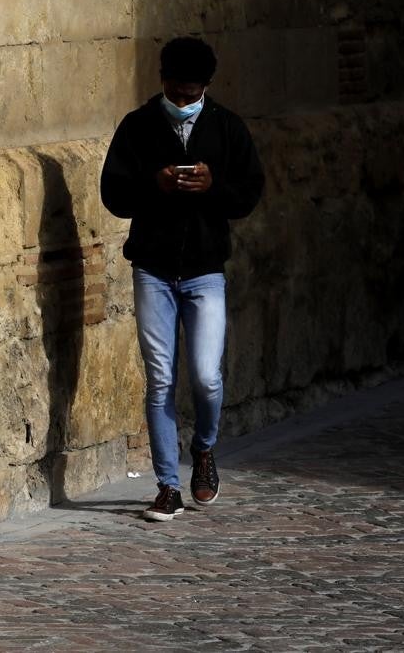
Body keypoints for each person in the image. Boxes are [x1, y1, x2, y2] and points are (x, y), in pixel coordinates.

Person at [100, 37, 264, 521]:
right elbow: (114, 194)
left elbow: (247, 194)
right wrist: (156, 184)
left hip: (205, 273)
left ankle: (205, 450)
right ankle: (167, 485)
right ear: (163, 81)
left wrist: (213, 188)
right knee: (160, 378)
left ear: (206, 87)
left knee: (207, 377)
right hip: (152, 269)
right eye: (176, 90)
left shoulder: (227, 128)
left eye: (192, 93)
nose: (183, 99)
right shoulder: (139, 126)